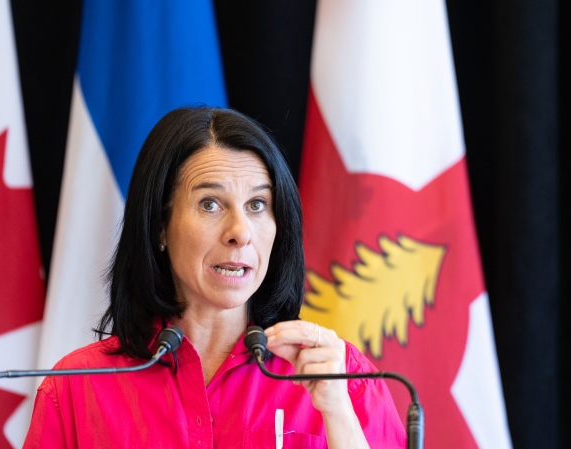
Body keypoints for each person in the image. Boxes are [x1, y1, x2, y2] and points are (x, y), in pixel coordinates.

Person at [23, 107, 405, 448]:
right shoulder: (77, 387)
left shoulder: (341, 377)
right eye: (210, 204)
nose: (240, 231)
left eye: (258, 205)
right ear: (159, 226)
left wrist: (337, 414)